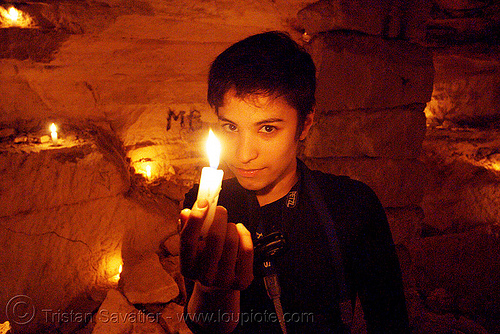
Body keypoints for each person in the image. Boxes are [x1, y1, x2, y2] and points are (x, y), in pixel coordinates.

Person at [178, 31, 410, 333]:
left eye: (268, 128)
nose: (244, 155)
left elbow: (390, 322)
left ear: (305, 124)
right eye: (231, 127)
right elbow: (205, 328)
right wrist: (212, 290)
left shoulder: (351, 206)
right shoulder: (205, 209)